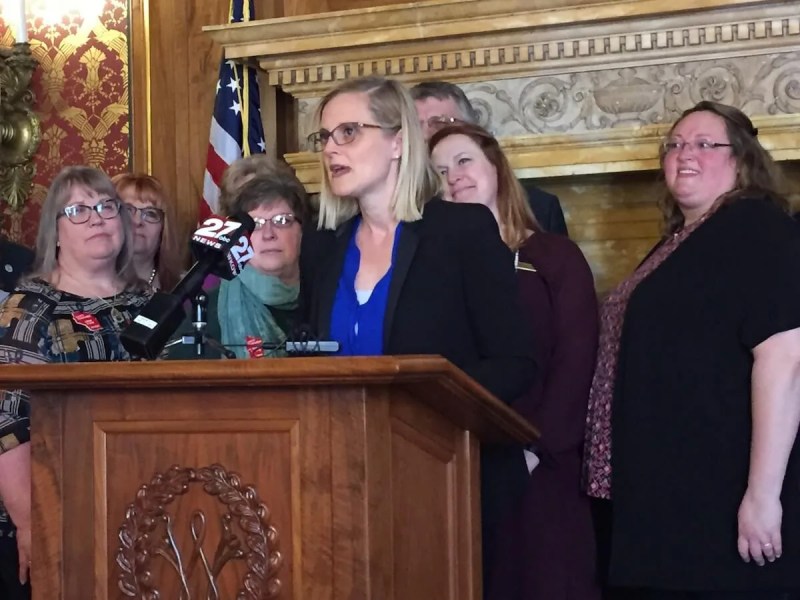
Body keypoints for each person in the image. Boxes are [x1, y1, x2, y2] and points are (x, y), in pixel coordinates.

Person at [300, 76, 536, 592]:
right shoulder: (323, 250)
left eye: (348, 132)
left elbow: (516, 362)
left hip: (448, 485)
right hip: (344, 487)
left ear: (398, 141)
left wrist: (424, 411)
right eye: (324, 138)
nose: (331, 149)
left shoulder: (461, 231)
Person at [583, 101, 800, 599]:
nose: (686, 154)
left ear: (742, 161)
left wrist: (763, 496)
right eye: (676, 145)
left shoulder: (757, 229)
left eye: (705, 144)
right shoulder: (679, 241)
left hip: (715, 504)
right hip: (665, 503)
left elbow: (785, 359)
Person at [430, 122, 600, 600]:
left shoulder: (551, 256)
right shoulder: (435, 271)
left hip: (542, 463)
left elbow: (576, 360)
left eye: (464, 162)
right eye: (439, 171)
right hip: (459, 463)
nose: (453, 177)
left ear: (497, 170)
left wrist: (535, 450)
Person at [0, 166, 152, 598]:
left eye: (106, 206)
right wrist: (32, 523)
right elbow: (8, 425)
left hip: (139, 501)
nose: (98, 218)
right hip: (58, 509)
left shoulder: (146, 303)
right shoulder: (28, 309)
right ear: (56, 232)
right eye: (79, 210)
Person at [169, 158, 307, 359]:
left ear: (302, 229)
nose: (269, 234)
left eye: (282, 220)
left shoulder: (328, 299)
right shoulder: (207, 309)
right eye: (256, 224)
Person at [410, 80, 569, 236]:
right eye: (415, 127)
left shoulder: (540, 207)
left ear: (472, 129)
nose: (425, 136)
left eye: (439, 123)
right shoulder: (402, 211)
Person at [112, 172, 183, 291]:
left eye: (151, 214)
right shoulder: (84, 286)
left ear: (163, 229)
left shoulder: (184, 288)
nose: (137, 221)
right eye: (128, 210)